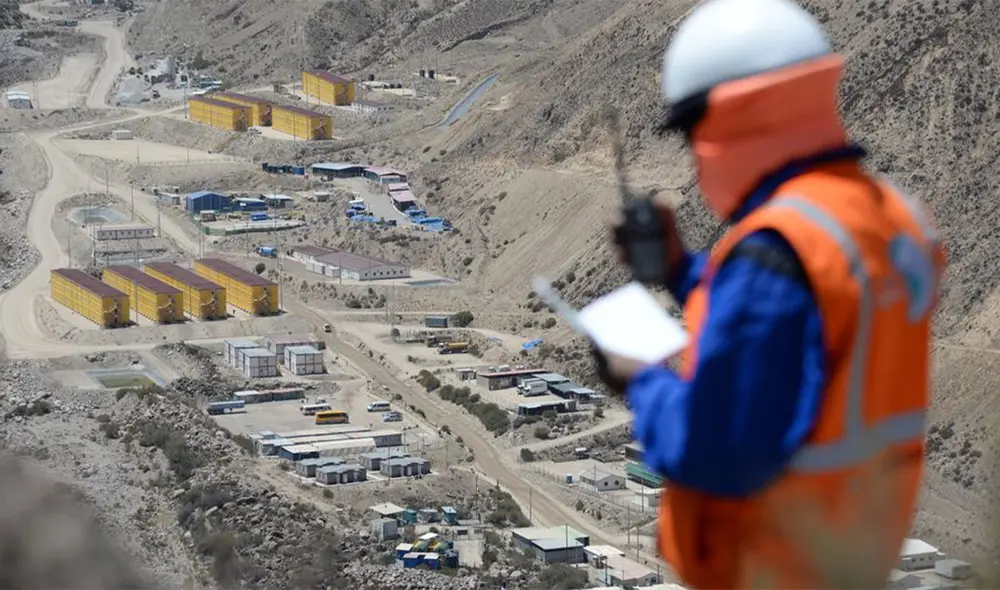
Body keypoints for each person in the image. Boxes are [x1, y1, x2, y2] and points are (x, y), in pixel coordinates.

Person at [597, 0, 946, 587]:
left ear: (728, 121)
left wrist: (642, 378)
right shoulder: (887, 218)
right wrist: (683, 271)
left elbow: (719, 449)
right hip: (853, 552)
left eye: (691, 134)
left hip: (772, 564)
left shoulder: (775, 252)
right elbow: (811, 318)